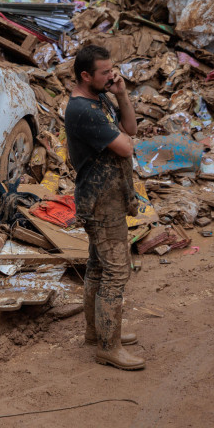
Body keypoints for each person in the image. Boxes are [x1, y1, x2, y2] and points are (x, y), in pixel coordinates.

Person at [65, 45, 145, 370]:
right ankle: (108, 347)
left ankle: (96, 332)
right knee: (116, 271)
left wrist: (122, 93)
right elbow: (126, 146)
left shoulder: (99, 98)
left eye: (112, 70)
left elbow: (131, 128)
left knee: (98, 268)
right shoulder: (83, 110)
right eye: (104, 72)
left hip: (108, 198)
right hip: (99, 203)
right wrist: (127, 143)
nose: (111, 75)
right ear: (86, 76)